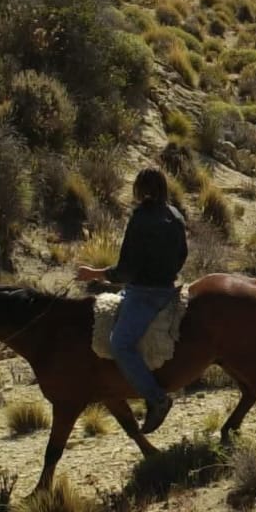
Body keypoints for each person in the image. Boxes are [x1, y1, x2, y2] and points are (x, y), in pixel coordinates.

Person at [75, 167, 189, 433]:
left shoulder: (140, 218)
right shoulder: (175, 215)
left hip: (146, 294)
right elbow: (183, 255)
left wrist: (95, 273)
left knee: (120, 343)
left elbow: (125, 271)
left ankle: (157, 399)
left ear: (140, 189)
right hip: (170, 288)